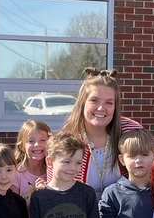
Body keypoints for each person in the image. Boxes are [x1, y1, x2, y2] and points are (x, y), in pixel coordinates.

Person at [59, 68, 141, 198]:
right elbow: (56, 187)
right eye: (94, 100)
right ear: (83, 103)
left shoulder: (131, 131)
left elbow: (149, 171)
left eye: (109, 102)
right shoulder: (66, 140)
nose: (101, 108)